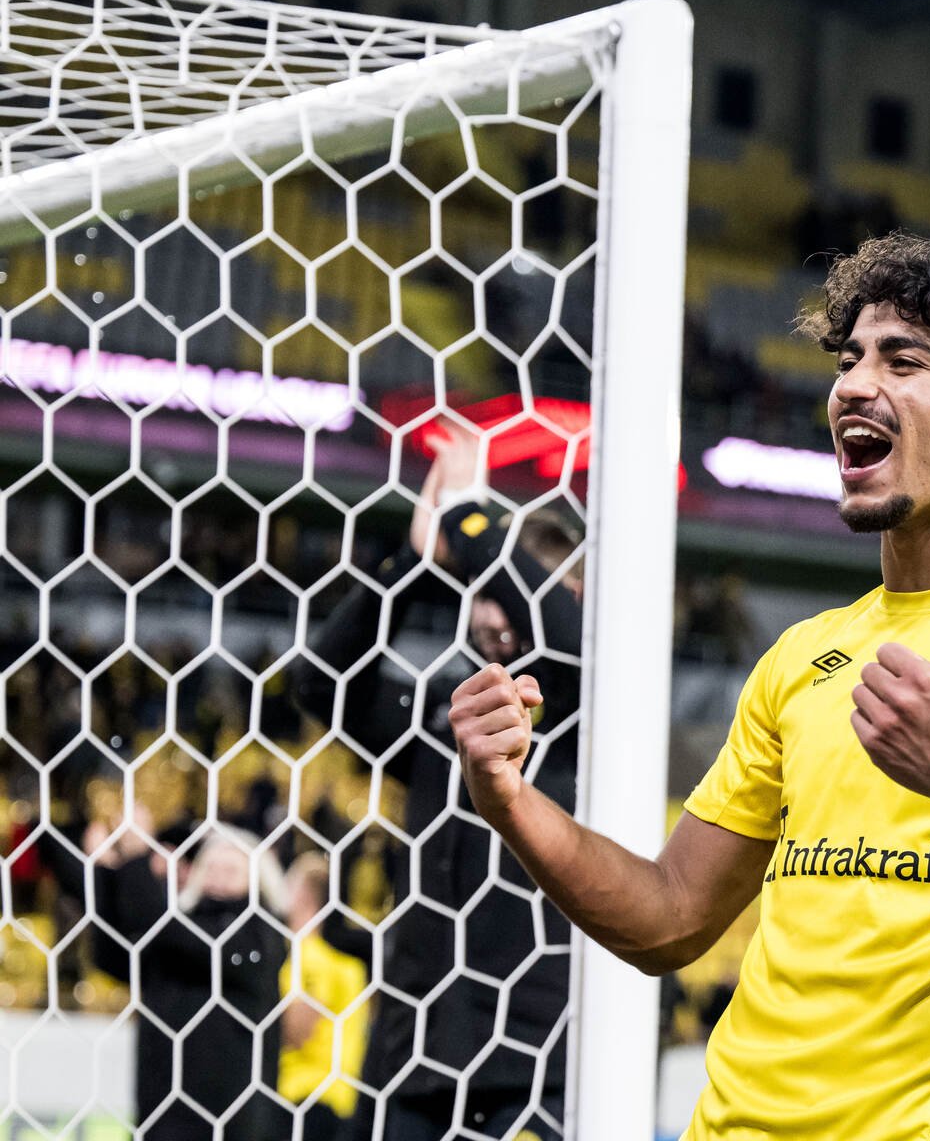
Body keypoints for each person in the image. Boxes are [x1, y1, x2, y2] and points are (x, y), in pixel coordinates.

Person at [450, 232, 930, 1140]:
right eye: (850, 358)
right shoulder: (805, 655)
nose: (855, 384)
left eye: (904, 360)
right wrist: (509, 799)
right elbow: (671, 918)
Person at [288, 425, 584, 1141]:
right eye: (482, 595)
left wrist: (470, 512)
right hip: (411, 1053)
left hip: (532, 1062)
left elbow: (563, 637)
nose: (491, 615)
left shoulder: (588, 717)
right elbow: (319, 683)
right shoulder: (444, 717)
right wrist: (416, 564)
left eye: (507, 595)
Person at [84, 822, 289, 1140]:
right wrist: (106, 872)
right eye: (212, 867)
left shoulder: (261, 935)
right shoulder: (181, 928)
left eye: (231, 869)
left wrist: (136, 861)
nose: (218, 876)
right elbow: (115, 959)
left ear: (258, 877)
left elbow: (178, 936)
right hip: (161, 1107)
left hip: (229, 1119)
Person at [279, 852, 370, 1141]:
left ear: (304, 895)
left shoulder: (308, 959)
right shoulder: (348, 967)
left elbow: (299, 1031)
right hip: (340, 1100)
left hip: (307, 1099)